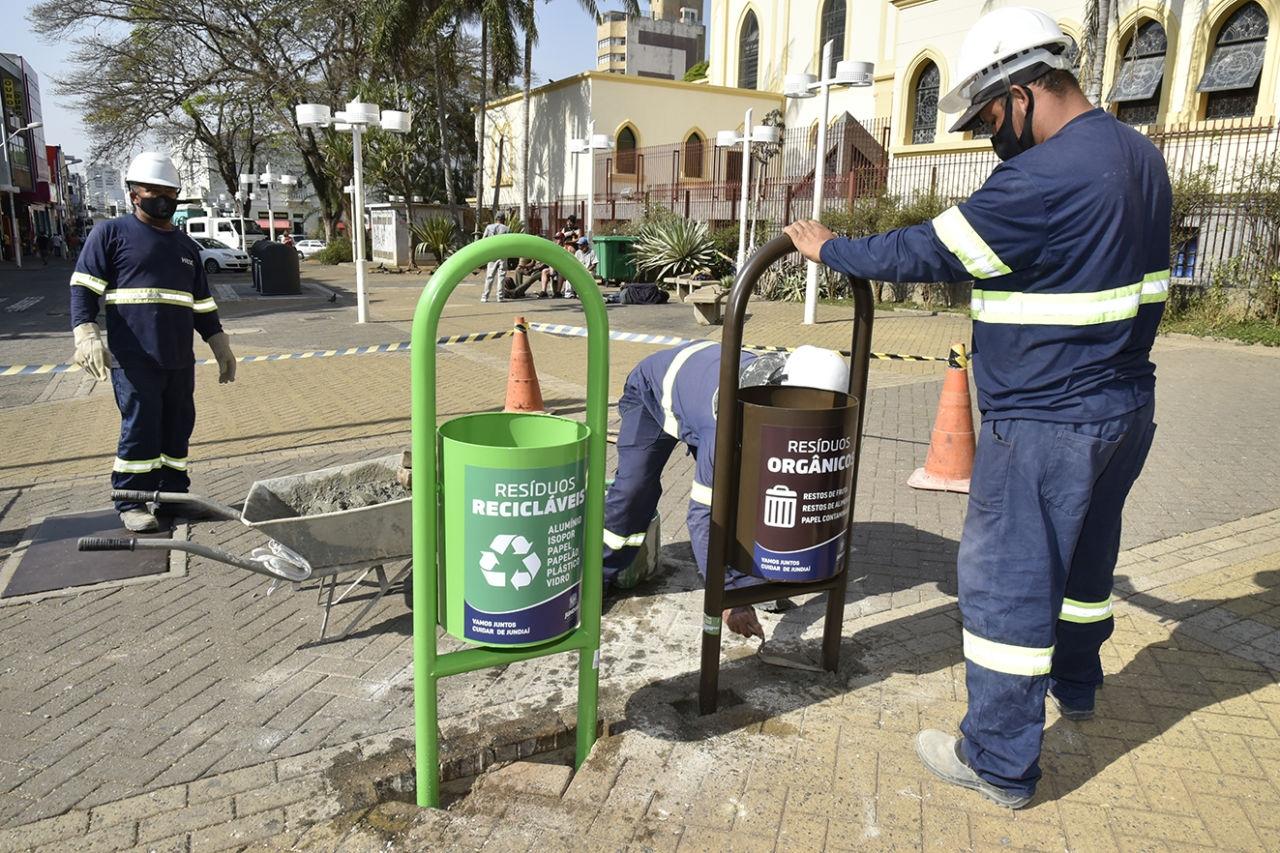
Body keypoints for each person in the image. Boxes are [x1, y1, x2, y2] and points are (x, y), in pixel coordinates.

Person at [783, 7, 1169, 809]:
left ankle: (997, 758)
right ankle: (1080, 681)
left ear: (1027, 90)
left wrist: (834, 251)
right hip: (1125, 406)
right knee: (1086, 565)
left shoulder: (1040, 178)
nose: (993, 131)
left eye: (993, 113)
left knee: (1007, 586)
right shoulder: (1140, 158)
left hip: (1045, 421)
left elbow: (930, 249)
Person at [602, 342, 849, 638]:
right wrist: (731, 596)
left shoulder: (781, 386)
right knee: (634, 492)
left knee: (741, 494)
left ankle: (751, 577)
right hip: (651, 391)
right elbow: (703, 516)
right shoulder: (729, 420)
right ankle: (600, 573)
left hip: (697, 386)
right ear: (783, 390)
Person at [69, 151, 238, 533]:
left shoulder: (186, 248)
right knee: (141, 428)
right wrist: (85, 333)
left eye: (169, 191)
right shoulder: (110, 234)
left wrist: (219, 343)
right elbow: (83, 288)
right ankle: (131, 500)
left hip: (179, 359)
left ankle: (174, 496)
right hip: (134, 359)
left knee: (178, 427)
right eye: (153, 190)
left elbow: (202, 305)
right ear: (134, 193)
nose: (161, 197)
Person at [480, 212, 509, 303]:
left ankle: (485, 296)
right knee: (501, 276)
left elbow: (484, 240)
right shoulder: (506, 228)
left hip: (492, 253)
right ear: (504, 219)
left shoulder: (489, 227)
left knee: (489, 276)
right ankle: (500, 297)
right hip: (503, 253)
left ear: (496, 218)